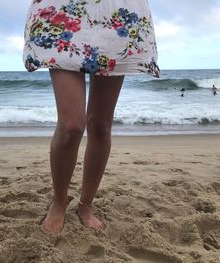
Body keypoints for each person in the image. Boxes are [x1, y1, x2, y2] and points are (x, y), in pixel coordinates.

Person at [23, 0, 160, 233]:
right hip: (66, 8)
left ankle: (85, 205)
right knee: (72, 125)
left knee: (100, 125)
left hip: (115, 10)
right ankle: (59, 202)